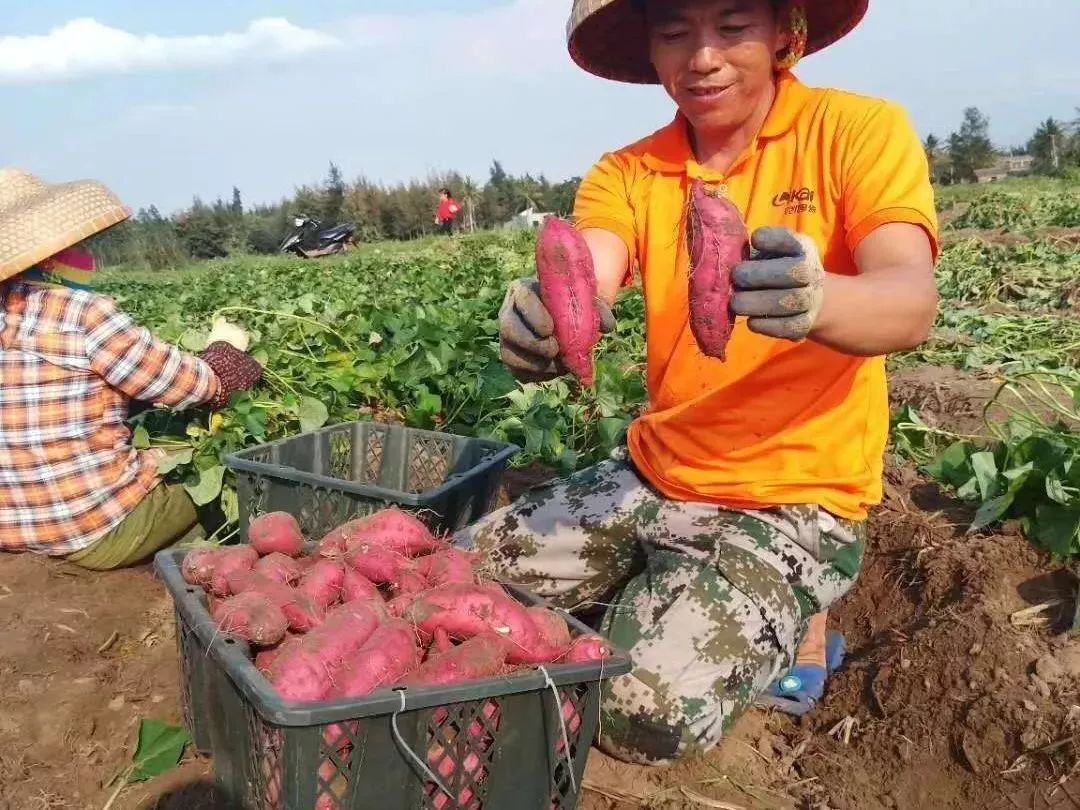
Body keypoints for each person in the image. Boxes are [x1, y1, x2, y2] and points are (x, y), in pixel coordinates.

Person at [460, 0, 939, 767]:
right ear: (649, 49)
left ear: (785, 30)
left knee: (638, 714)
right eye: (675, 32)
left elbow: (910, 300)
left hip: (795, 496)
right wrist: (551, 313)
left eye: (733, 25)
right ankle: (663, 591)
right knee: (448, 588)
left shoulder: (856, 130)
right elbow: (594, 264)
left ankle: (796, 612)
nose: (703, 57)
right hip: (656, 470)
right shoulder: (627, 172)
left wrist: (821, 299)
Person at [0, 168, 262, 570]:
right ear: (50, 257)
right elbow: (196, 386)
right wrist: (225, 351)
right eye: (77, 246)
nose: (85, 254)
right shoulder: (82, 314)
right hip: (94, 529)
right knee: (230, 471)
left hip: (12, 528)